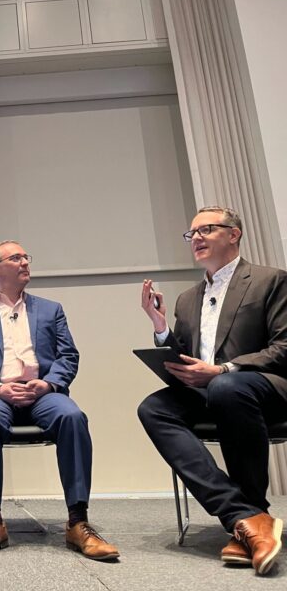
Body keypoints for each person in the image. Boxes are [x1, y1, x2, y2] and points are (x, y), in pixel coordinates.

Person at [138, 206, 287, 575]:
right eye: (192, 234)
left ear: (234, 234)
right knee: (153, 408)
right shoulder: (188, 298)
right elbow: (186, 354)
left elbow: (283, 347)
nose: (197, 238)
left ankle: (249, 513)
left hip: (263, 388)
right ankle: (246, 517)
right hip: (212, 391)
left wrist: (223, 369)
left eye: (207, 229)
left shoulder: (271, 280)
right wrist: (160, 328)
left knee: (226, 386)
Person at [0, 240, 119, 560]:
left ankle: (78, 521)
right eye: (16, 258)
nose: (25, 262)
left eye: (26, 257)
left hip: (41, 393)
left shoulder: (50, 309)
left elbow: (68, 355)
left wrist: (49, 383)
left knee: (72, 417)